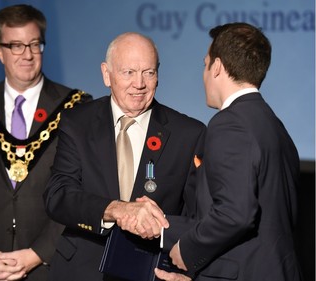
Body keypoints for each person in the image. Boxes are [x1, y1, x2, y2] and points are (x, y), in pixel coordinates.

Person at [42, 31, 206, 280]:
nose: (139, 84)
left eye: (148, 72)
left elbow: (198, 218)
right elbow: (58, 196)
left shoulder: (189, 133)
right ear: (106, 74)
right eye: (128, 72)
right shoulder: (78, 123)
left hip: (151, 272)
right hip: (81, 270)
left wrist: (191, 273)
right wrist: (116, 209)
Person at [0, 4, 91, 281]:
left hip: (50, 267)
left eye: (34, 44)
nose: (27, 55)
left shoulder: (77, 108)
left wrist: (37, 253)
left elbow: (79, 192)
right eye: (16, 46)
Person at [153, 22, 303, 281]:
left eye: (205, 63)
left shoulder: (230, 123)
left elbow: (236, 214)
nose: (203, 73)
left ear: (218, 67)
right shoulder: (275, 126)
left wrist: (187, 249)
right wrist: (163, 226)